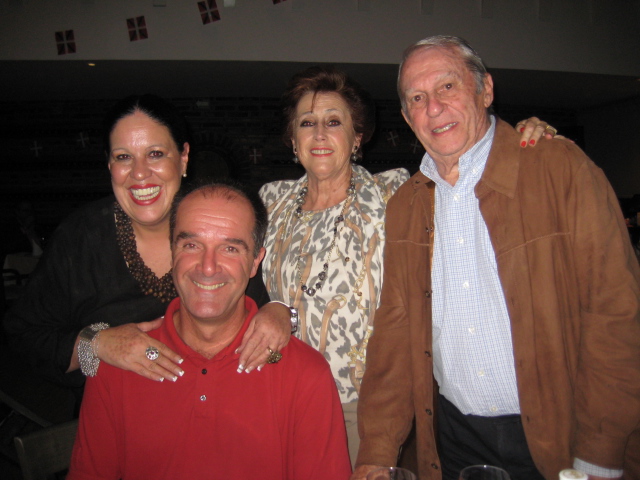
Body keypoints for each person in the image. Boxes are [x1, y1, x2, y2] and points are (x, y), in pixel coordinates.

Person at [352, 36, 640, 480]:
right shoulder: (405, 206)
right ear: (408, 118)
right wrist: (376, 450)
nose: (433, 107)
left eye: (448, 86)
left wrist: (598, 460)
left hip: (560, 438)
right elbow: (395, 331)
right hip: (453, 437)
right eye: (417, 98)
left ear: (486, 90)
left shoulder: (558, 168)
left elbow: (615, 318)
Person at [259, 65, 558, 464]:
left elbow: (467, 177)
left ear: (357, 137)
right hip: (277, 390)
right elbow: (233, 279)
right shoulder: (270, 203)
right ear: (292, 139)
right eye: (307, 123)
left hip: (363, 403)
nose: (319, 134)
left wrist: (523, 141)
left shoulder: (395, 193)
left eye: (334, 122)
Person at [3, 95, 290, 413]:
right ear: (110, 165)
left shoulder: (217, 222)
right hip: (120, 421)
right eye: (124, 157)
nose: (139, 174)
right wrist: (97, 343)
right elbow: (24, 336)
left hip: (224, 409)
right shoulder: (82, 237)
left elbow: (261, 304)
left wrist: (279, 313)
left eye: (155, 154)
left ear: (183, 158)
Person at [68, 182, 352, 480]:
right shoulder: (119, 362)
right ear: (172, 252)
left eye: (230, 248)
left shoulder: (306, 375)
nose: (207, 267)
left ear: (256, 261)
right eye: (191, 245)